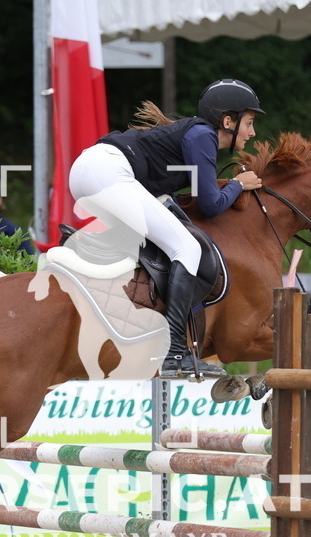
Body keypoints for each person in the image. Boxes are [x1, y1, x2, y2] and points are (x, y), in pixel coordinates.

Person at [68, 78, 264, 378]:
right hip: (107, 173)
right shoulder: (203, 136)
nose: (253, 132)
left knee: (161, 246)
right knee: (186, 247)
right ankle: (174, 353)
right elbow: (210, 205)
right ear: (228, 121)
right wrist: (238, 184)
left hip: (90, 172)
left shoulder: (195, 135)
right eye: (249, 123)